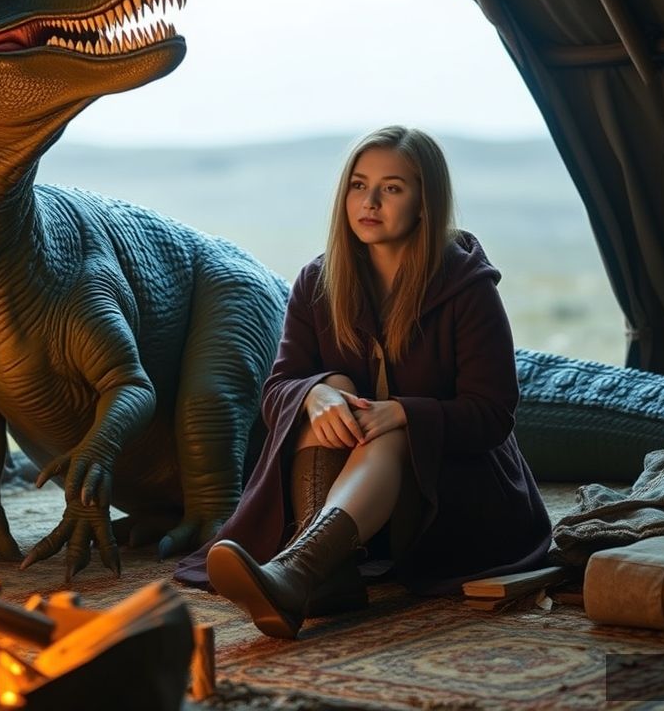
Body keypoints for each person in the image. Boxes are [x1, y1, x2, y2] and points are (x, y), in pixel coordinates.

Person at [174, 126, 551, 638]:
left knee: (391, 427)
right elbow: (277, 388)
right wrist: (318, 393)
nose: (369, 201)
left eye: (392, 188)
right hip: (360, 504)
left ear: (424, 202)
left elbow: (493, 414)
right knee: (325, 395)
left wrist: (401, 412)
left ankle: (299, 569)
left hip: (456, 497)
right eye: (358, 185)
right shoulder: (318, 281)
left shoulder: (468, 288)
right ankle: (328, 575)